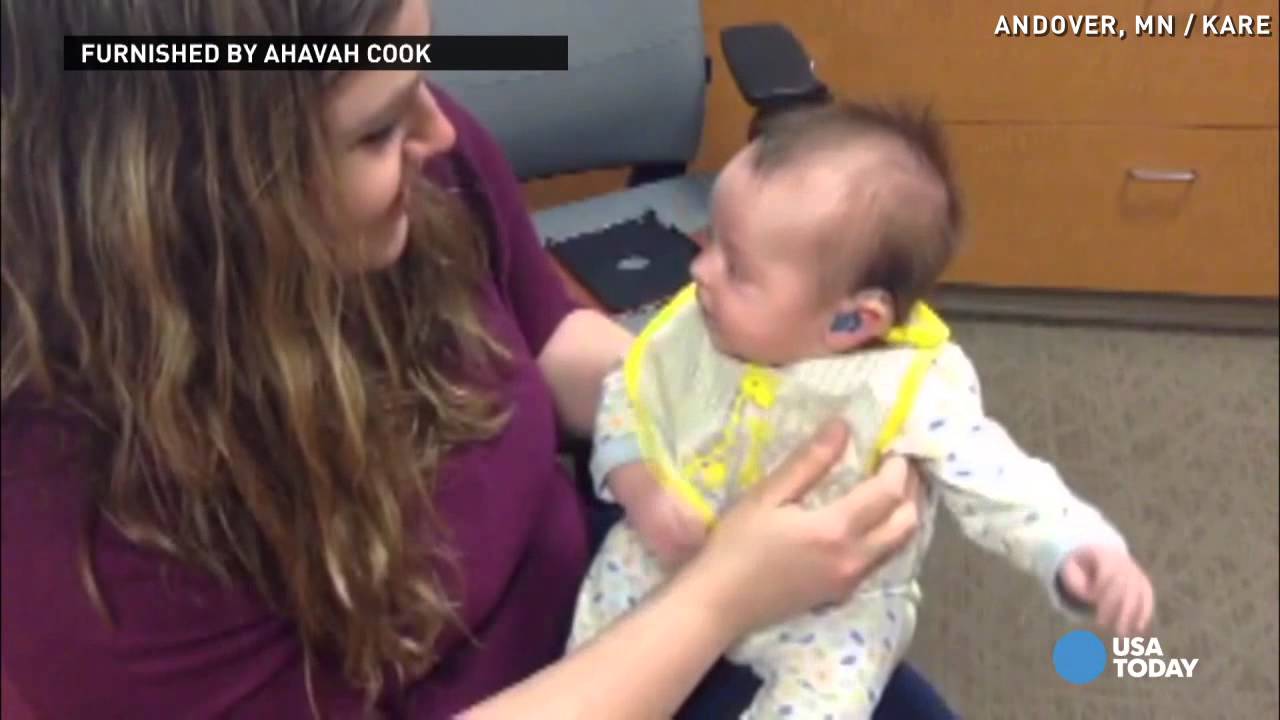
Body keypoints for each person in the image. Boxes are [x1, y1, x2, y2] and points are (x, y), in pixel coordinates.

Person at [0, 1, 955, 718]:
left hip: (604, 595)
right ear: (191, 198)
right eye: (375, 129)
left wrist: (757, 410)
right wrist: (719, 599)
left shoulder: (427, 168)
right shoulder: (72, 520)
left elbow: (546, 336)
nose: (440, 130)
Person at [569, 102, 1156, 718]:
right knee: (597, 652)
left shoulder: (909, 389)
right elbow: (625, 398)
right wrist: (641, 492)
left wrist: (1075, 547)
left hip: (831, 607)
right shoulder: (697, 326)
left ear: (853, 319)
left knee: (829, 698)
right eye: (711, 242)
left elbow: (1001, 482)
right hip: (680, 547)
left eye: (736, 267)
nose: (699, 270)